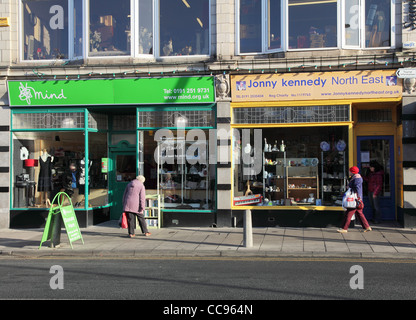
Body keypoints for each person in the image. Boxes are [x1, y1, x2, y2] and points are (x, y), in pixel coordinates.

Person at [337, 166, 372, 233]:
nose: (349, 172)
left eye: (350, 171)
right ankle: (367, 227)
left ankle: (344, 228)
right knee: (359, 213)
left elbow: (357, 188)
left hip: (354, 200)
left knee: (348, 214)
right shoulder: (355, 178)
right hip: (356, 199)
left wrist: (358, 198)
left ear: (352, 172)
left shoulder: (357, 179)